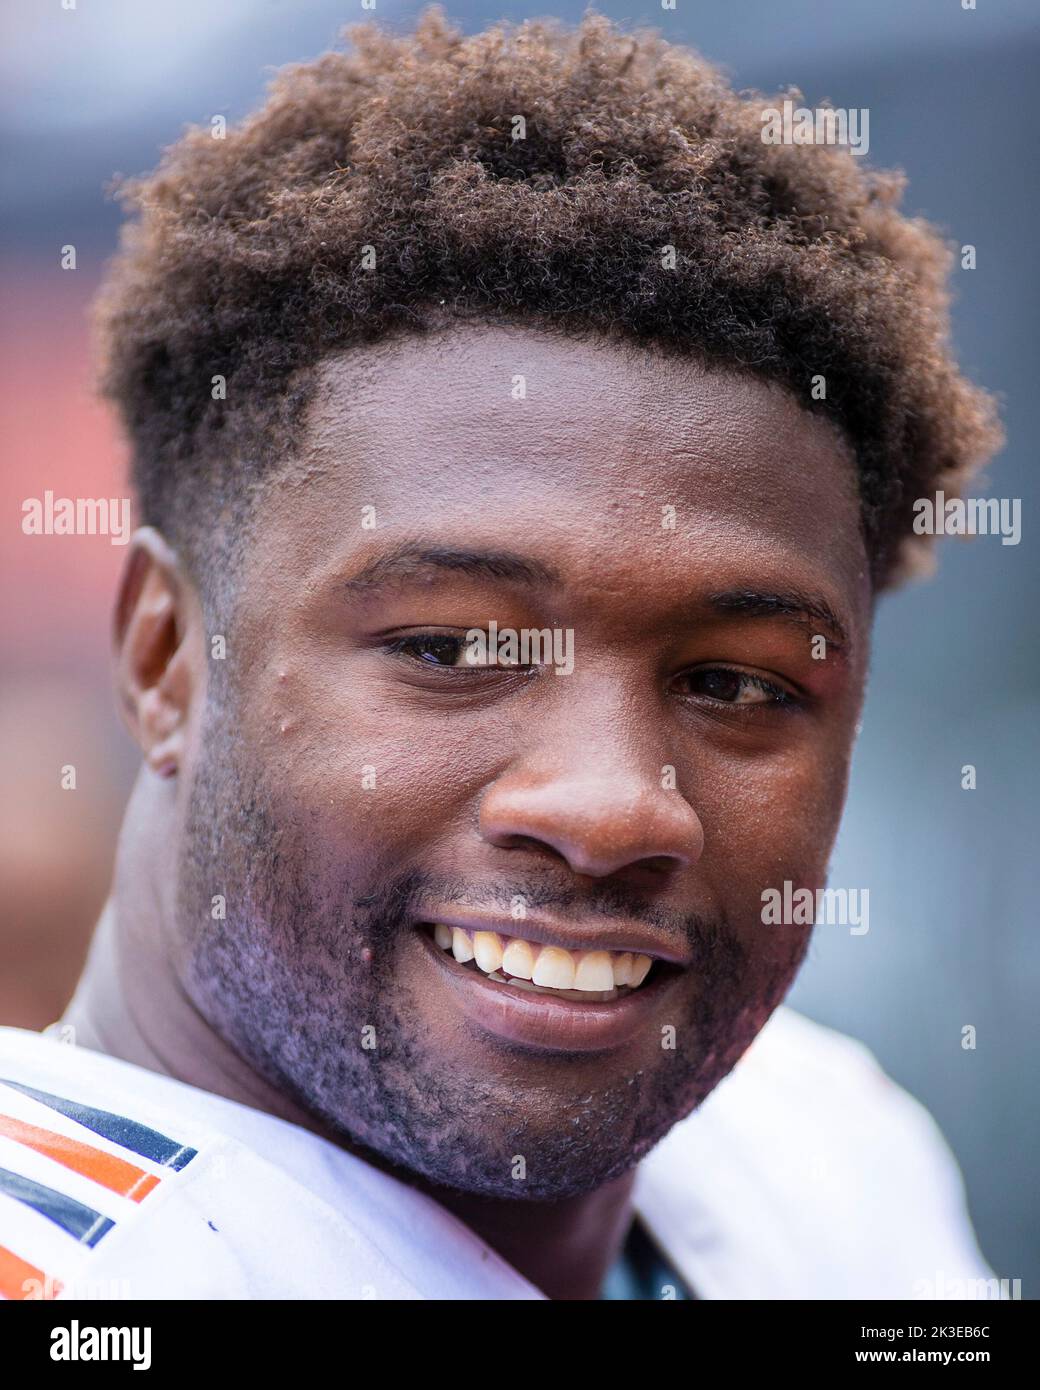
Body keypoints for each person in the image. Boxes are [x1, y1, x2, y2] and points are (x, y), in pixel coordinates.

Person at [0, 9, 1004, 1301]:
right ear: (165, 658)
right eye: (452, 647)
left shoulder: (821, 1150)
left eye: (736, 683)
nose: (611, 806)